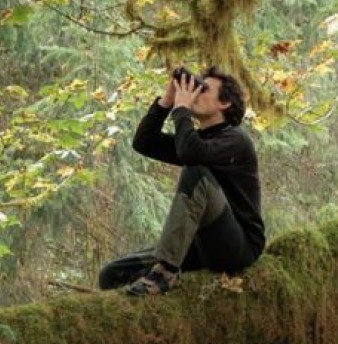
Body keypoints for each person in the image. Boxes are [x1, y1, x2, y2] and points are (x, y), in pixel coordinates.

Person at [98, 66, 265, 297]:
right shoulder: (197, 143)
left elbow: (191, 154)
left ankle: (166, 273)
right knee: (112, 274)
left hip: (239, 247)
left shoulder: (236, 139)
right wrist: (166, 102)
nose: (194, 93)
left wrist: (182, 109)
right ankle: (153, 287)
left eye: (203, 89)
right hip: (202, 245)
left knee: (195, 172)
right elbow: (144, 142)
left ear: (224, 103)